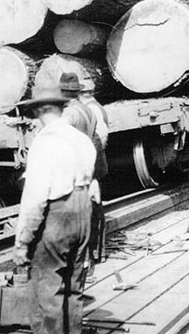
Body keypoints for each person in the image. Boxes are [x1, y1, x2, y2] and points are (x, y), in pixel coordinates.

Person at [13, 84, 96, 334]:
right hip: (83, 210)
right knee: (73, 289)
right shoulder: (81, 139)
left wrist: (22, 241)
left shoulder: (44, 142)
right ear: (61, 108)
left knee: (47, 290)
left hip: (58, 215)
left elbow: (35, 198)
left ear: (38, 110)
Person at [59, 72, 109, 268]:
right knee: (93, 211)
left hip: (75, 170)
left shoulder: (69, 114)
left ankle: (82, 262)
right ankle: (96, 254)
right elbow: (95, 140)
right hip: (89, 168)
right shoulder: (87, 110)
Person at [78, 82, 109, 265]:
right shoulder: (94, 107)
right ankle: (96, 253)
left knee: (94, 211)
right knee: (94, 210)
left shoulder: (92, 110)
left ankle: (95, 253)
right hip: (94, 166)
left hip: (93, 168)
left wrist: (91, 171)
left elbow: (101, 138)